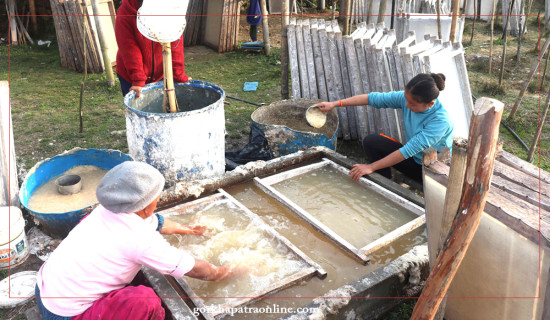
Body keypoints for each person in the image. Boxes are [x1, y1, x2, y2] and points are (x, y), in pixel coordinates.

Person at [35, 161, 244, 320]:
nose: (158, 199)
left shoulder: (108, 209)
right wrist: (229, 271)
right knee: (145, 300)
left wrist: (189, 230)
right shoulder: (140, 239)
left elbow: (157, 221)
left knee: (138, 274)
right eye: (157, 197)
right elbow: (196, 270)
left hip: (45, 289)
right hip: (65, 315)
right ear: (145, 205)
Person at [316, 73, 453, 183]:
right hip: (413, 158)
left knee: (433, 188)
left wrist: (370, 167)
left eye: (412, 104)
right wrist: (334, 104)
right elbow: (372, 99)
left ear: (430, 104)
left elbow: (407, 150)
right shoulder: (407, 99)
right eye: (406, 99)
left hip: (430, 170)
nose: (406, 104)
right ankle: (386, 181)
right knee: (372, 141)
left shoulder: (440, 121)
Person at [115, 0, 189, 98]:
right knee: (139, 109)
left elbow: (175, 42)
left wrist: (178, 74)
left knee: (164, 107)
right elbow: (129, 49)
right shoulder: (126, 12)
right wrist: (138, 80)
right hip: (130, 75)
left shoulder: (170, 9)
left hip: (161, 73)